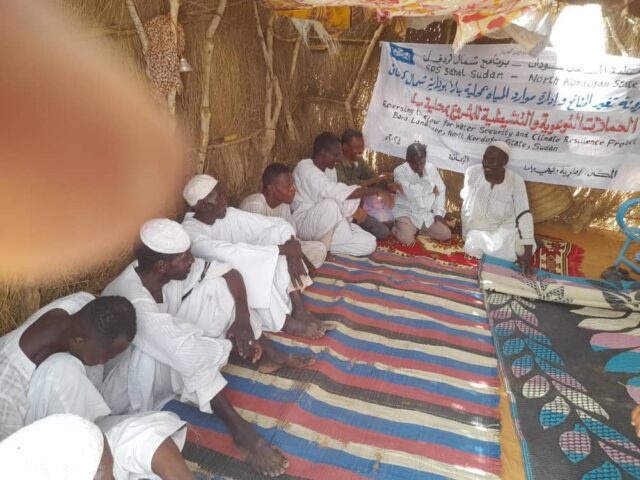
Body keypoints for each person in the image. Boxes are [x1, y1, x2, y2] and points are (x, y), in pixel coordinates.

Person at [102, 219, 306, 477]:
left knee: (215, 289)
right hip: (129, 384)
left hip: (169, 350)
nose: (191, 260)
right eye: (185, 257)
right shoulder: (131, 298)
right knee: (184, 351)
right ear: (162, 266)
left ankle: (259, 350)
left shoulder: (161, 272)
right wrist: (227, 345)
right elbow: (184, 352)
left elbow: (230, 272)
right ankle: (239, 430)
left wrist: (242, 320)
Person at [0, 293, 192, 480]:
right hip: (35, 444)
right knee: (62, 367)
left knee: (146, 436)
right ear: (79, 340)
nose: (103, 361)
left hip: (81, 422)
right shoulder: (8, 383)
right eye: (105, 356)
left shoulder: (83, 307)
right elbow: (13, 460)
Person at [182, 174, 325, 339]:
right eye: (219, 196)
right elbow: (231, 254)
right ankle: (285, 323)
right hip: (226, 286)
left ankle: (299, 308)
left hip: (260, 270)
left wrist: (291, 251)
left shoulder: (228, 214)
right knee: (246, 263)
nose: (225, 200)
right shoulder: (189, 232)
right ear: (202, 205)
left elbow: (278, 224)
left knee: (275, 236)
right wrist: (284, 250)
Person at [291, 132, 392, 255]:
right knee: (330, 204)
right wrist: (375, 191)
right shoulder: (305, 168)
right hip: (305, 223)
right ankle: (322, 246)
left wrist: (355, 210)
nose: (339, 158)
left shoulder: (330, 170)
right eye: (336, 154)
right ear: (323, 153)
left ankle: (321, 245)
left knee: (370, 242)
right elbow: (332, 191)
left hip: (332, 219)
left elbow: (340, 193)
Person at [461, 141, 536, 276]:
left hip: (504, 231)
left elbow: (524, 213)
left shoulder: (516, 180)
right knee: (470, 246)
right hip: (479, 231)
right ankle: (509, 256)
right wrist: (465, 232)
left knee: (525, 249)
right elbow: (466, 206)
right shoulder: (472, 172)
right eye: (485, 158)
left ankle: (513, 250)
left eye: (493, 160)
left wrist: (528, 255)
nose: (487, 163)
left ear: (504, 162)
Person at [239, 163, 327, 269]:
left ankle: (289, 272)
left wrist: (297, 254)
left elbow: (292, 236)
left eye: (292, 185)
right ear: (271, 188)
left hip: (282, 253)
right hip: (260, 256)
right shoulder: (255, 204)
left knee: (320, 249)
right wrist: (294, 255)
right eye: (287, 186)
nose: (293, 189)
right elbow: (257, 247)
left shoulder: (283, 204)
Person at [392, 143, 451, 246]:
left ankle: (416, 230)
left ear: (425, 158)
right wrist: (430, 188)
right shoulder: (399, 171)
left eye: (422, 162)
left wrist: (438, 213)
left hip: (426, 214)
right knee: (407, 240)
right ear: (407, 159)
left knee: (446, 234)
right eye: (415, 163)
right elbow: (410, 192)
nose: (419, 166)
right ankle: (397, 226)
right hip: (407, 213)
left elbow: (441, 190)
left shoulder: (431, 167)